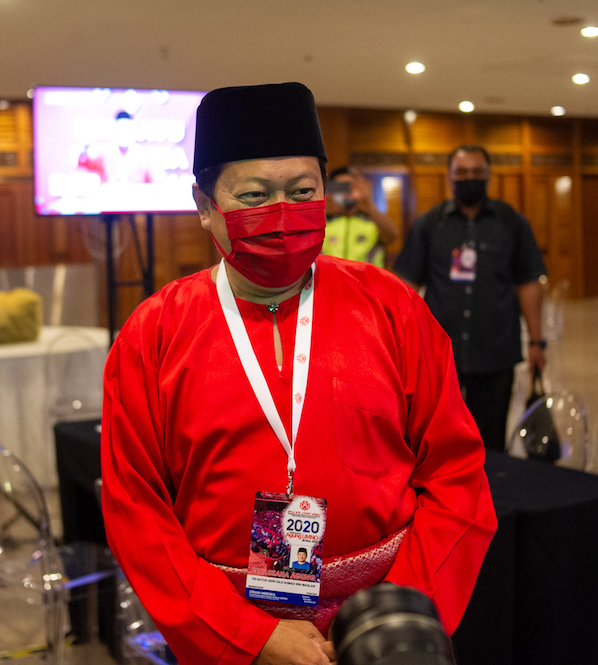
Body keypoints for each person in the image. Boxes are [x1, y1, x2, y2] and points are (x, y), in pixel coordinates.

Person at [101, 82, 496, 665]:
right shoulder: (152, 336)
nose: (282, 212)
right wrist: (250, 636)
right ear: (204, 206)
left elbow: (456, 476)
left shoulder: (392, 309)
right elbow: (137, 511)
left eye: (303, 190)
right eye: (255, 194)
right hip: (229, 635)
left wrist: (392, 616)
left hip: (384, 633)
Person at [393, 145, 547, 452]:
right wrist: (399, 342)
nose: (470, 178)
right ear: (449, 177)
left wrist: (536, 341)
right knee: (434, 437)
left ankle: (490, 497)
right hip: (438, 352)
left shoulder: (511, 222)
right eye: (462, 172)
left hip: (496, 349)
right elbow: (405, 285)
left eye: (477, 172)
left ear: (489, 175)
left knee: (490, 442)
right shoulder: (429, 224)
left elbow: (529, 282)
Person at [321, 166, 399, 267]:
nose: (346, 192)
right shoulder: (323, 222)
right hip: (329, 282)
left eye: (351, 187)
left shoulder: (372, 221)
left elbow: (392, 235)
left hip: (368, 282)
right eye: (340, 187)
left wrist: (366, 202)